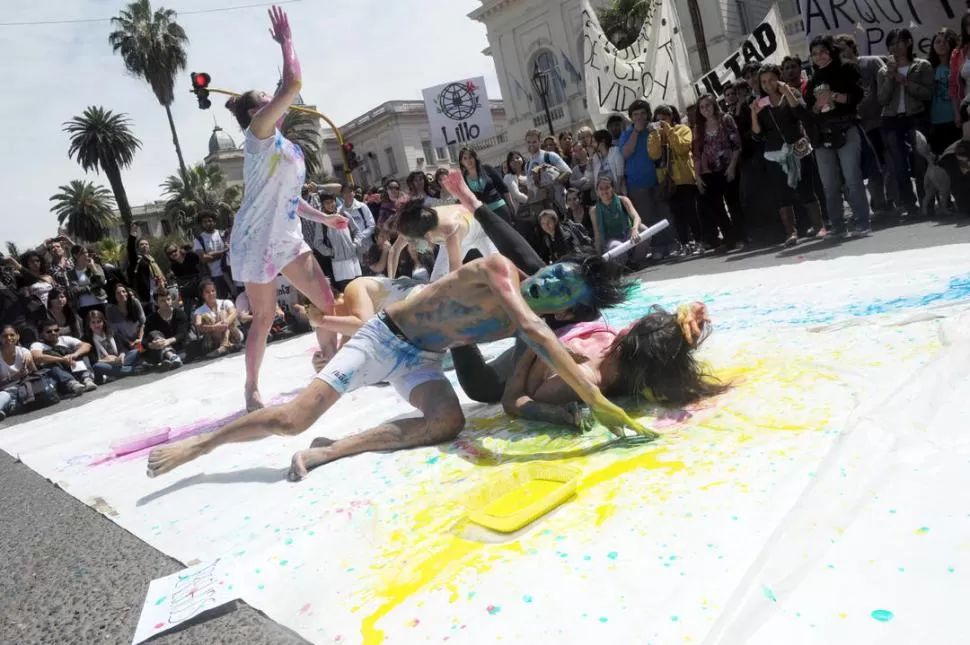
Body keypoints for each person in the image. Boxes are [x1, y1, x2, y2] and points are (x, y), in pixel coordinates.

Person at [146, 237, 652, 483]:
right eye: (555, 271)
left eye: (561, 287)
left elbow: (544, 353)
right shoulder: (500, 271)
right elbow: (535, 330)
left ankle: (334, 449)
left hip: (421, 361)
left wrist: (595, 403)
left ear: (565, 305)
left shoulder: (533, 322)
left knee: (449, 422)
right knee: (289, 420)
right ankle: (202, 446)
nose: (548, 280)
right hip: (383, 339)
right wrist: (598, 404)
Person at [222, 6, 349, 411]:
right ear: (254, 114)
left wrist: (324, 216)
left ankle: (329, 361)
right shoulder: (258, 136)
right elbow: (292, 82)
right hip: (256, 238)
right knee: (263, 317)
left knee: (327, 300)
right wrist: (287, 42)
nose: (273, 101)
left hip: (286, 236)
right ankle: (252, 390)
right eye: (265, 100)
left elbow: (292, 199)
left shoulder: (289, 147)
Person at [501, 304, 725, 428]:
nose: (628, 326)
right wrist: (685, 321)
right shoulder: (626, 347)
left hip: (521, 357)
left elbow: (515, 400)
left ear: (627, 346)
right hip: (563, 331)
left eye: (633, 328)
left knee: (479, 383)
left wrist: (542, 345)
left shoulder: (585, 376)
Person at [751, 65, 827, 246]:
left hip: (798, 149)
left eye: (771, 80)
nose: (767, 85)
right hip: (775, 154)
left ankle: (819, 226)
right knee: (782, 194)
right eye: (763, 82)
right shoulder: (761, 102)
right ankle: (791, 233)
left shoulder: (791, 93)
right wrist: (753, 115)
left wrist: (787, 91)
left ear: (778, 78)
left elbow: (801, 113)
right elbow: (756, 135)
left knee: (806, 189)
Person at [805, 35, 872, 237]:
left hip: (846, 128)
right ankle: (837, 224)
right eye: (815, 54)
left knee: (852, 177)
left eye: (823, 52)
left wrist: (833, 96)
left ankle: (862, 221)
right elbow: (810, 112)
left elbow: (859, 96)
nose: (819, 57)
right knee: (829, 183)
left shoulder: (847, 69)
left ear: (831, 50)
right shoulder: (813, 79)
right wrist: (818, 104)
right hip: (823, 135)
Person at [834, 34, 893, 216]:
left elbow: (888, 86)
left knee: (891, 162)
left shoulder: (872, 62)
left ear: (853, 47)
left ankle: (895, 200)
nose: (841, 53)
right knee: (872, 167)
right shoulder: (838, 74)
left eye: (843, 48)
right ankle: (879, 204)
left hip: (883, 122)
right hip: (861, 128)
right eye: (837, 50)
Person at [878, 28, 933, 216]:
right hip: (891, 120)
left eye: (898, 42)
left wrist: (907, 83)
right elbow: (882, 100)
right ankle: (909, 205)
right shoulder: (883, 71)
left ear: (908, 42)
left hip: (915, 117)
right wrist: (890, 78)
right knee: (899, 164)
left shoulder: (922, 65)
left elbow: (928, 93)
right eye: (890, 44)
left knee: (920, 160)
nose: (894, 47)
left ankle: (927, 201)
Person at [389, 200, 499, 282]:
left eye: (411, 242)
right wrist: (390, 281)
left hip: (481, 232)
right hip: (454, 235)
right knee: (437, 281)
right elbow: (394, 250)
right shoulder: (415, 225)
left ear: (427, 235)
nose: (411, 247)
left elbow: (455, 272)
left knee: (499, 269)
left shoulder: (450, 229)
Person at [648, 104, 702, 253]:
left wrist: (669, 131)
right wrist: (655, 135)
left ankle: (699, 241)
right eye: (658, 120)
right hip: (668, 180)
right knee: (677, 215)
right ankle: (685, 244)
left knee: (691, 211)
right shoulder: (655, 135)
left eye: (664, 119)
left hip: (684, 178)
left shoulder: (682, 129)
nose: (661, 122)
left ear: (671, 118)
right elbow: (653, 155)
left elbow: (682, 148)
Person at [693, 94, 741, 251]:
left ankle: (742, 237)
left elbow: (736, 145)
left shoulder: (726, 119)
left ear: (714, 104)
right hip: (708, 173)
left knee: (733, 204)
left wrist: (732, 166)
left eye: (708, 105)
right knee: (717, 208)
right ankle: (729, 239)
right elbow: (697, 154)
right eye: (701, 107)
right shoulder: (698, 127)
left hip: (727, 169)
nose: (705, 109)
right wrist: (697, 176)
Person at [588, 175, 646, 267]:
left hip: (628, 233)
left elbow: (636, 217)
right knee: (615, 246)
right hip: (612, 239)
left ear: (613, 189)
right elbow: (597, 233)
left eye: (607, 188)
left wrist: (634, 229)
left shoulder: (623, 200)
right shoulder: (594, 211)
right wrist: (598, 255)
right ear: (597, 191)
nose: (604, 191)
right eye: (601, 189)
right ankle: (625, 266)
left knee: (643, 229)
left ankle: (637, 261)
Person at [30, 321, 97, 394]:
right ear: (41, 334)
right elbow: (37, 357)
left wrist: (74, 355)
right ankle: (73, 384)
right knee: (49, 365)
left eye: (56, 330)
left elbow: (87, 346)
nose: (53, 333)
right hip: (59, 374)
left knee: (82, 354)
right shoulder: (37, 345)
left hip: (73, 367)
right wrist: (62, 360)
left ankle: (87, 380)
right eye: (49, 331)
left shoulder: (65, 339)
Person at [85, 309, 143, 382]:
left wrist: (122, 354)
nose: (96, 325)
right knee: (97, 366)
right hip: (106, 365)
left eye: (99, 321)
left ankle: (123, 371)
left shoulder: (111, 332)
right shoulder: (87, 339)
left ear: (103, 322)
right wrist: (109, 360)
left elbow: (123, 346)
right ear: (89, 325)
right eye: (93, 322)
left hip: (120, 361)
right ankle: (132, 370)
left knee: (138, 349)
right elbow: (93, 361)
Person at [319, 193, 362, 292]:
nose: (331, 205)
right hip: (339, 263)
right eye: (327, 203)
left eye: (332, 202)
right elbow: (318, 242)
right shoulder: (322, 221)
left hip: (353, 259)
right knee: (346, 290)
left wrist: (355, 244)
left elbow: (357, 231)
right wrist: (331, 252)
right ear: (323, 205)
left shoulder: (343, 214)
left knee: (358, 288)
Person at [459, 147, 512, 223]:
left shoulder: (487, 168)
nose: (468, 160)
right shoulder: (463, 179)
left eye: (470, 157)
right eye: (465, 158)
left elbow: (503, 188)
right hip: (484, 214)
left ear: (475, 157)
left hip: (500, 208)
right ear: (461, 162)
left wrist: (511, 206)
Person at [929, 28, 961, 156]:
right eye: (938, 42)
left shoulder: (958, 67)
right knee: (940, 161)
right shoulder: (927, 68)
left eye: (945, 41)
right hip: (935, 123)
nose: (942, 44)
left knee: (960, 161)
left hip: (956, 121)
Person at [193, 279, 244, 357]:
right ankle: (228, 345)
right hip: (214, 340)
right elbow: (198, 325)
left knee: (223, 313)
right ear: (202, 295)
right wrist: (214, 327)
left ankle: (224, 345)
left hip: (234, 335)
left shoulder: (226, 302)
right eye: (207, 292)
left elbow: (234, 313)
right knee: (206, 316)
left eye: (213, 291)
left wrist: (225, 323)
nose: (211, 294)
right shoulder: (199, 311)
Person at [127, 223, 166, 312]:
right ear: (138, 247)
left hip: (158, 290)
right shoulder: (137, 259)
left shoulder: (152, 259)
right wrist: (133, 233)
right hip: (147, 294)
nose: (144, 246)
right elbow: (130, 249)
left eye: (146, 244)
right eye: (141, 244)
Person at [192, 211, 232, 299]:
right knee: (221, 302)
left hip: (229, 273)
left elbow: (230, 250)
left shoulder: (223, 234)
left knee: (238, 298)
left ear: (214, 222)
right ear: (201, 224)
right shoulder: (199, 240)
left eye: (210, 220)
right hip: (214, 277)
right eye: (204, 221)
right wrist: (223, 251)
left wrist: (211, 254)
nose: (208, 223)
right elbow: (204, 258)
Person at [144, 291, 189, 367]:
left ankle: (167, 359)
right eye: (162, 301)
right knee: (154, 333)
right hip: (160, 347)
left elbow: (182, 334)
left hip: (180, 346)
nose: (167, 302)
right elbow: (143, 340)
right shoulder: (151, 319)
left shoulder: (180, 313)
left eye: (168, 299)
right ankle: (171, 357)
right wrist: (151, 345)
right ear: (156, 303)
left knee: (187, 353)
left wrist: (168, 341)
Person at [164, 242, 204, 315]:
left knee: (206, 305)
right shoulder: (174, 266)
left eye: (174, 250)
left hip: (200, 284)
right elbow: (181, 281)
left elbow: (202, 268)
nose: (173, 254)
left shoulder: (191, 255)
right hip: (187, 290)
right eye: (170, 253)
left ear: (179, 249)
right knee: (188, 312)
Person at [105, 284, 145, 353]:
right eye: (118, 293)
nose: (122, 294)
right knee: (135, 352)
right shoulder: (110, 310)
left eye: (124, 291)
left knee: (142, 349)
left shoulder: (135, 303)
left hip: (141, 337)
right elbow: (116, 332)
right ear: (114, 296)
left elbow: (142, 323)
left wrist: (139, 339)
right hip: (123, 341)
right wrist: (129, 342)